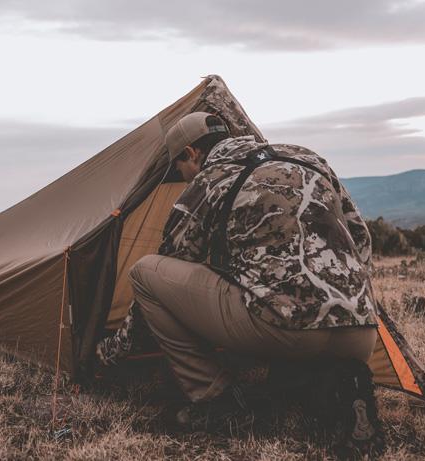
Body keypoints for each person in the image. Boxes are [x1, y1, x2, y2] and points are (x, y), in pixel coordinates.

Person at [96, 111, 383, 453]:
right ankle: (343, 386)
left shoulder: (210, 179)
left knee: (146, 272)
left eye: (179, 169)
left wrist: (110, 353)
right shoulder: (307, 157)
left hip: (283, 331)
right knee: (301, 363)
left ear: (190, 153)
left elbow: (173, 260)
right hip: (361, 332)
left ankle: (215, 398)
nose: (183, 177)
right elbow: (361, 240)